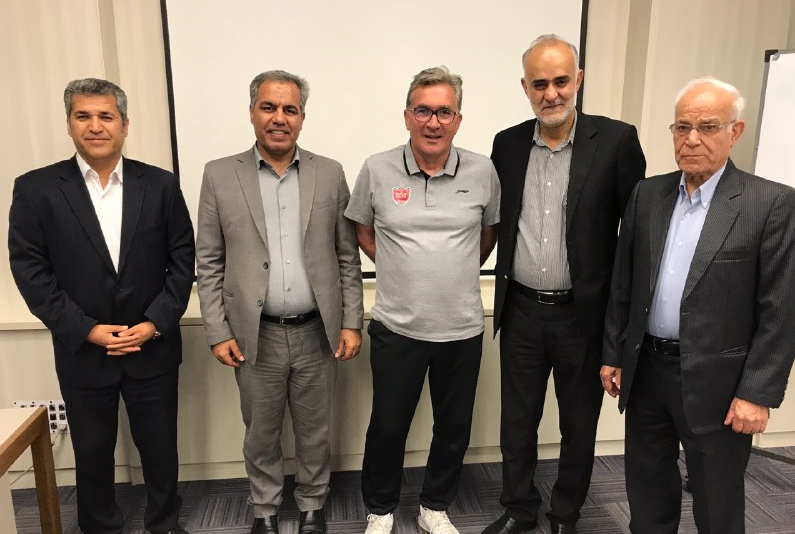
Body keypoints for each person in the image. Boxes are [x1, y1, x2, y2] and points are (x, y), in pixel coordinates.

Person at [601, 77, 795, 534]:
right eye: (682, 126)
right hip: (647, 371)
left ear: (735, 132)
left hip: (720, 384)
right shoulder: (647, 195)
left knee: (716, 501)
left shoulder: (770, 203)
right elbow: (624, 284)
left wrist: (757, 393)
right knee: (647, 490)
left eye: (707, 126)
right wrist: (614, 353)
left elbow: (780, 310)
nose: (691, 139)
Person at [8, 78, 195, 534]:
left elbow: (182, 259)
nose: (95, 126)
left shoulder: (161, 185)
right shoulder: (36, 189)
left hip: (150, 345)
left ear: (124, 125)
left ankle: (164, 524)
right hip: (83, 348)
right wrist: (86, 329)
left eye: (106, 116)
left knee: (160, 448)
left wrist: (154, 323)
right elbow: (30, 271)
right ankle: (99, 526)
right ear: (69, 124)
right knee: (92, 451)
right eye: (84, 116)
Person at [483, 35, 646, 534]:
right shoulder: (507, 145)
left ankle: (564, 514)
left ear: (578, 80)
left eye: (560, 81)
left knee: (579, 425)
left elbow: (635, 237)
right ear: (525, 88)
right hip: (522, 311)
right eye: (539, 84)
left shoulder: (616, 141)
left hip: (583, 316)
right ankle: (519, 508)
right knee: (517, 423)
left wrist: (622, 326)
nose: (550, 93)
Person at [195, 70, 363, 534]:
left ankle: (312, 505)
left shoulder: (329, 173)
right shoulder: (219, 174)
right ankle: (265, 510)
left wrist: (352, 321)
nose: (279, 118)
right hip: (255, 334)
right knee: (261, 432)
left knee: (315, 430)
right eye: (269, 107)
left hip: (317, 332)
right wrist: (218, 330)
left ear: (302, 118)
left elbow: (347, 256)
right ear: (252, 112)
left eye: (290, 109)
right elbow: (209, 260)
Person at [345, 66, 500, 534]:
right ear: (407, 116)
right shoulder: (377, 168)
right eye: (423, 111)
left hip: (462, 328)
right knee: (388, 426)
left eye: (444, 112)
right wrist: (398, 264)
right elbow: (362, 229)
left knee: (453, 429)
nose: (433, 122)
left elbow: (487, 236)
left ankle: (435, 507)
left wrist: (451, 268)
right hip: (397, 327)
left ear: (458, 119)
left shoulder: (482, 171)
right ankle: (380, 509)